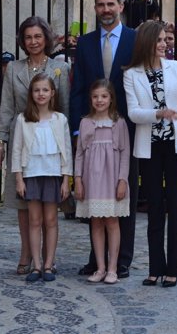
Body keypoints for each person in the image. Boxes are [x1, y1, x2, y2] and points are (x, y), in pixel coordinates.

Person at [124, 20, 177, 288]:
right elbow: (134, 113)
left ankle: (173, 269)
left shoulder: (175, 67)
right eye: (158, 40)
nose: (163, 44)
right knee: (154, 208)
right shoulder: (131, 74)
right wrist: (158, 113)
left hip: (175, 146)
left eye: (164, 39)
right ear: (146, 41)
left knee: (175, 207)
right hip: (149, 148)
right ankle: (155, 268)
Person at [0, 16, 70, 276]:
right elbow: (5, 107)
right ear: (22, 41)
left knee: (48, 207)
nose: (33, 41)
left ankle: (49, 257)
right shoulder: (13, 68)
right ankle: (26, 252)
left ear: (46, 38)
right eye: (28, 37)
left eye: (38, 36)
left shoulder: (60, 68)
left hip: (49, 144)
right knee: (23, 203)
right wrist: (0, 142)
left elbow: (65, 109)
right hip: (21, 139)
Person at [70, 0, 137, 279]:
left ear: (120, 6)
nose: (106, 10)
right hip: (92, 128)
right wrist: (76, 129)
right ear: (95, 8)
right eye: (101, 5)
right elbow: (78, 89)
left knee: (122, 195)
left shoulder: (135, 40)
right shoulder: (84, 44)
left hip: (127, 128)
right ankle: (96, 260)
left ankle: (121, 259)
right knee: (95, 197)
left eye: (111, 4)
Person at [10, 73, 72, 282]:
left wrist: (66, 179)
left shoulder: (59, 119)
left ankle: (49, 264)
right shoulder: (22, 119)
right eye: (37, 90)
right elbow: (17, 150)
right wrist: (19, 178)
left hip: (53, 174)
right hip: (32, 174)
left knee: (51, 220)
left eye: (45, 90)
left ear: (52, 93)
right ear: (31, 94)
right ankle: (36, 265)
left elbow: (67, 150)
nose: (41, 94)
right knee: (34, 220)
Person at [74, 80, 131, 284]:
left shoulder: (119, 123)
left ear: (111, 99)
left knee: (112, 221)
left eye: (104, 96)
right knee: (96, 222)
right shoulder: (85, 122)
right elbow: (79, 154)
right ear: (91, 99)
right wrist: (78, 180)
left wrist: (122, 180)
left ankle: (113, 268)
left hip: (112, 179)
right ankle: (100, 267)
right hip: (92, 180)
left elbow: (125, 154)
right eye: (96, 96)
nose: (99, 100)